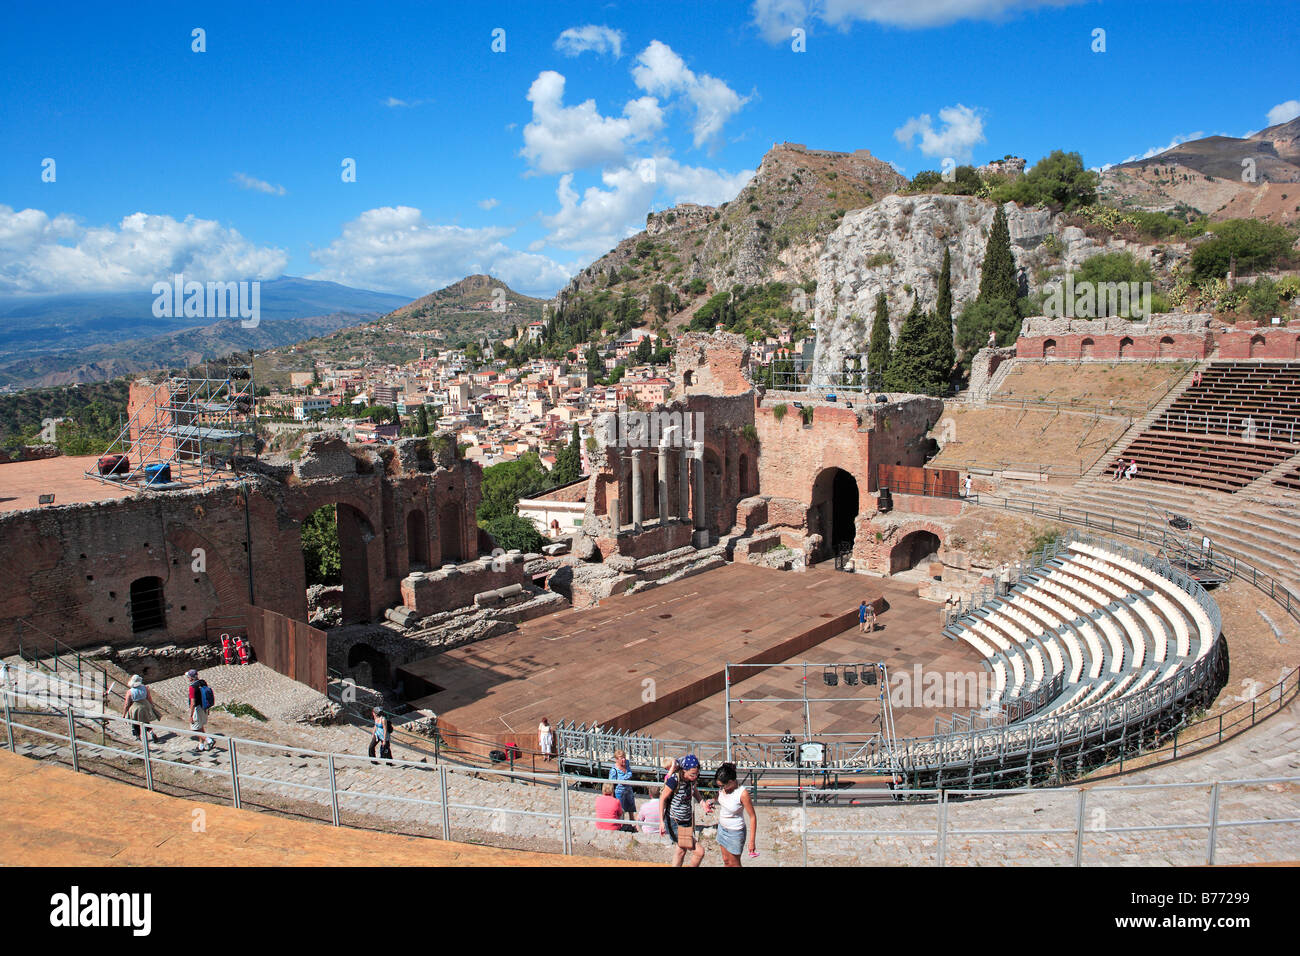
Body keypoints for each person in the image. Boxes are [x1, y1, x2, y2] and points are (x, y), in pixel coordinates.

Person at [660, 754, 712, 866]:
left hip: (686, 820)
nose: (695, 776)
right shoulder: (674, 780)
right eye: (693, 774)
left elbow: (694, 791)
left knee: (681, 851)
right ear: (684, 771)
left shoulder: (691, 780)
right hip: (675, 821)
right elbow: (662, 798)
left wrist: (702, 803)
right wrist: (661, 821)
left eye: (697, 774)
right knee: (699, 852)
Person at [713, 763, 758, 867]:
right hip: (722, 829)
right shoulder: (723, 789)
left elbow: (753, 817)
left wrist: (752, 841)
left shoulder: (742, 794)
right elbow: (719, 797)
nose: (720, 788)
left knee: (734, 863)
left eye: (721, 786)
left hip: (735, 832)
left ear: (730, 782)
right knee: (726, 861)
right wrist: (711, 801)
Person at [122, 675, 159, 743]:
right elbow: (149, 698)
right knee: (145, 721)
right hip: (145, 706)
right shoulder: (145, 688)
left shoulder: (130, 692)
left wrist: (124, 714)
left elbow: (127, 704)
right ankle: (151, 732)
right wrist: (151, 706)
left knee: (136, 723)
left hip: (135, 707)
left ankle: (138, 737)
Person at [186, 669, 215, 752]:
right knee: (200, 726)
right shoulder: (202, 682)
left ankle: (209, 740)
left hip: (197, 709)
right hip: (204, 708)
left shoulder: (192, 687)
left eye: (188, 677)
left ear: (191, 678)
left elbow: (193, 702)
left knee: (195, 728)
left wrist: (191, 716)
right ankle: (201, 746)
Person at [609, 749, 636, 820]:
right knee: (621, 812)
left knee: (631, 810)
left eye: (624, 757)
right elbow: (611, 784)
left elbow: (630, 773)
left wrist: (623, 779)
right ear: (616, 760)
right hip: (619, 792)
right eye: (621, 758)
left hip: (628, 790)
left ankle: (632, 826)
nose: (624, 760)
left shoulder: (626, 763)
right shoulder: (614, 770)